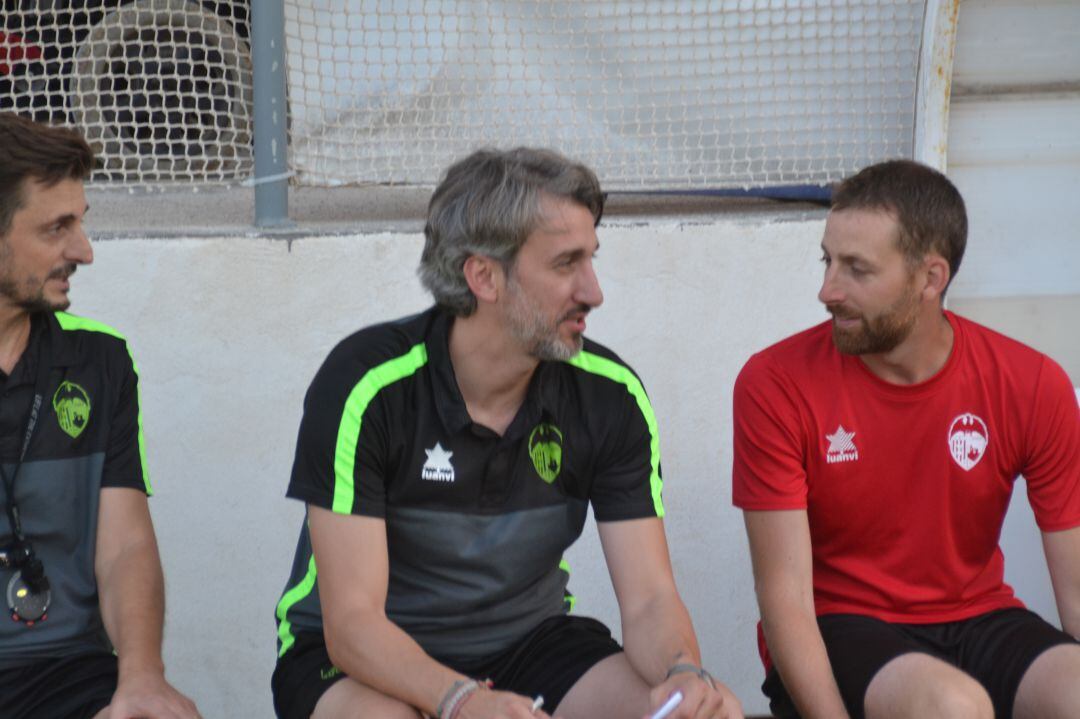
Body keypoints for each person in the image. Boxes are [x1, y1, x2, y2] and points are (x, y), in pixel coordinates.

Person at [273, 147, 743, 719]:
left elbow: (649, 599)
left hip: (531, 644)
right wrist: (463, 701)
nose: (593, 292)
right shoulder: (367, 386)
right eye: (566, 264)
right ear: (484, 276)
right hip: (357, 659)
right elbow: (352, 624)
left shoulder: (610, 394)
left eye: (591, 260)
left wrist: (684, 673)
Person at [732, 159, 1080, 719]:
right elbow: (785, 600)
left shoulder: (1033, 384)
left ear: (930, 278)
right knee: (953, 707)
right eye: (827, 261)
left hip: (980, 617)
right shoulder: (775, 382)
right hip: (840, 624)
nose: (828, 290)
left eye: (856, 270)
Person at [0, 113, 200, 719]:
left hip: (66, 671)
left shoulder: (100, 361)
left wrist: (141, 678)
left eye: (81, 222)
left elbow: (124, 548)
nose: (83, 251)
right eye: (57, 228)